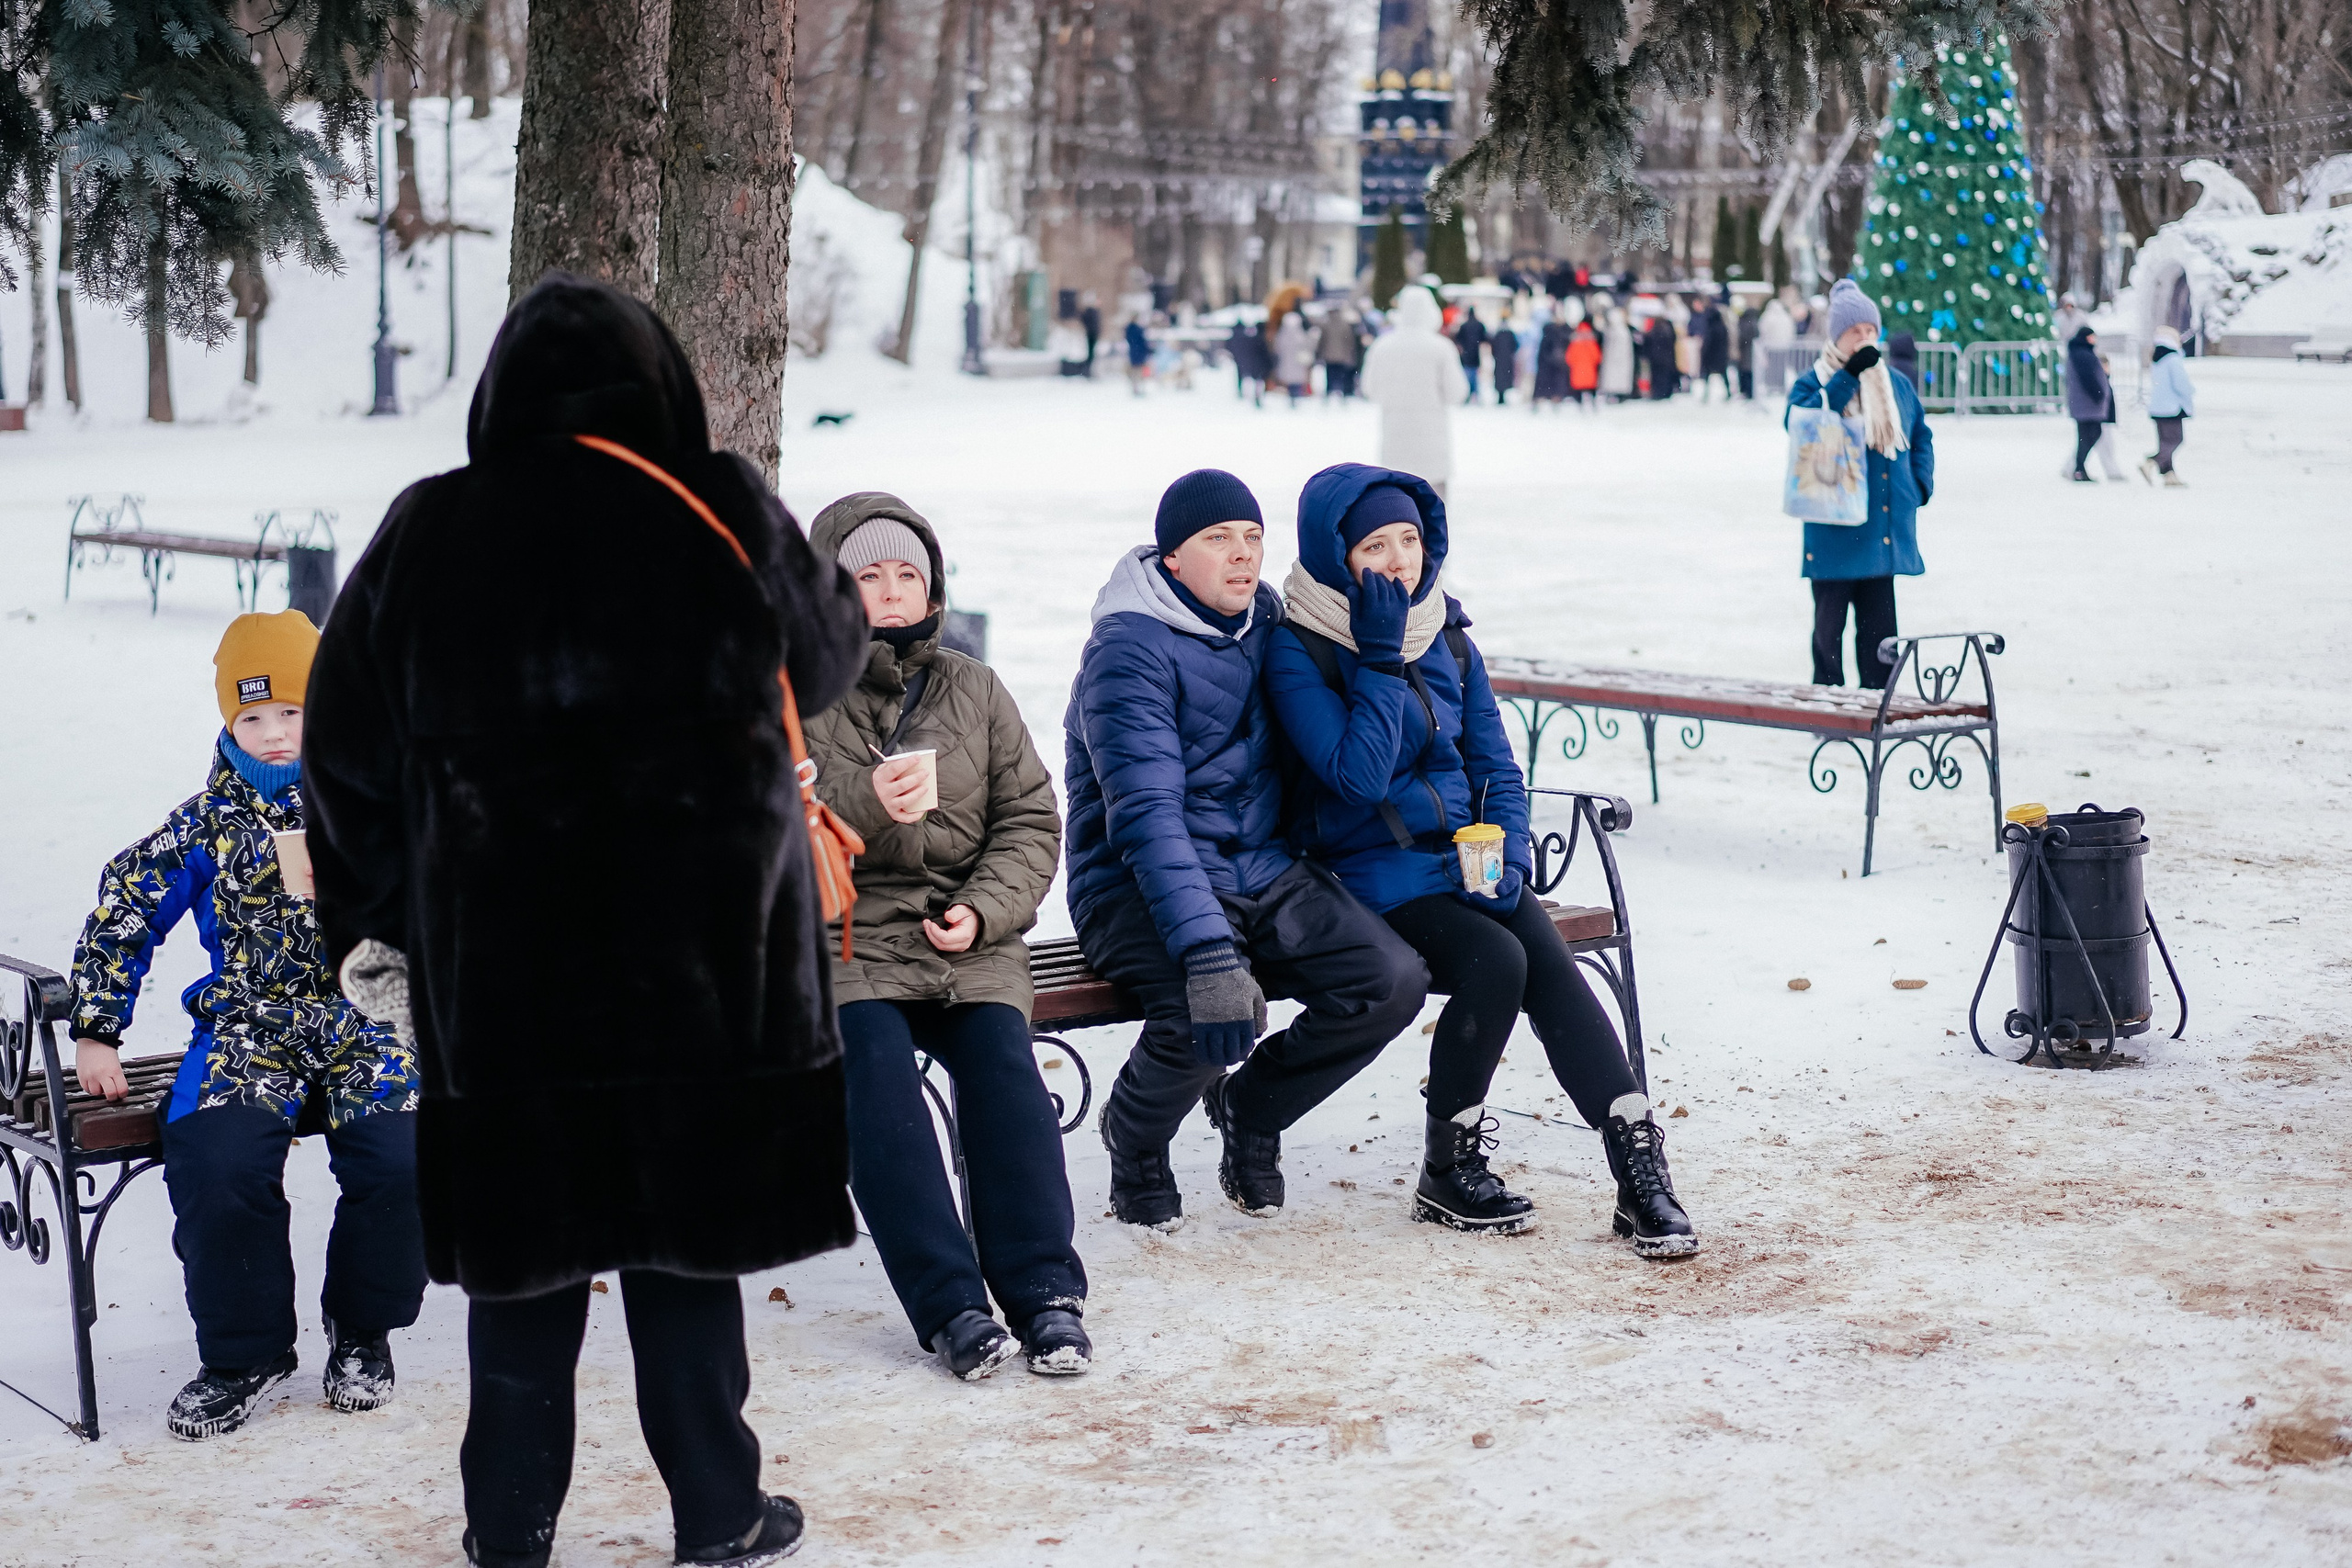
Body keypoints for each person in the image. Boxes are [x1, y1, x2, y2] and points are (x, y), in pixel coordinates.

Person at [305, 275, 869, 1568]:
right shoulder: (717, 504)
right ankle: (719, 1513)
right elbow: (832, 655)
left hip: (506, 982)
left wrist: (378, 923)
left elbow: (342, 755)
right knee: (688, 1265)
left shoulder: (428, 528)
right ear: (661, 382)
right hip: (708, 974)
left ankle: (508, 1531)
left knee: (522, 1281)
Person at [1263, 466, 1700, 1254]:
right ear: (1336, 556)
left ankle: (1636, 1163)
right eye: (1375, 545)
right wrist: (1380, 654)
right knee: (1498, 960)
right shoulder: (1299, 649)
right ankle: (1447, 1165)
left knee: (1542, 956)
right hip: (1362, 872)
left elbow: (1496, 763)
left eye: (1411, 540)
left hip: (1464, 862)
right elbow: (1357, 777)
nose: (1401, 561)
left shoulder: (1450, 635)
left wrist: (1509, 853)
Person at [67, 609, 423, 1441]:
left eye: (291, 712)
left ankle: (363, 1329)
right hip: (251, 1023)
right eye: (250, 716)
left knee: (406, 1156)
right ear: (229, 721)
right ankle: (245, 1351)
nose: (270, 733)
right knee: (216, 1158)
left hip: (366, 1010)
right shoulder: (205, 822)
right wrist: (95, 1025)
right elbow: (126, 905)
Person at [1064, 470, 1427, 1230]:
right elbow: (1146, 816)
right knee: (1213, 1009)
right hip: (1135, 883)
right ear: (1171, 560)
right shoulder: (1126, 651)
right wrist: (1206, 952)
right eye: (1217, 539)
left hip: (1260, 867)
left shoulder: (1266, 625)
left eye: (1253, 538)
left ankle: (1251, 1109)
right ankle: (1134, 1136)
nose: (1241, 555)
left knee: (1389, 979)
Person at [803, 494, 1087, 1382]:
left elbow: (1032, 821)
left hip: (966, 935)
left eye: (907, 575)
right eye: (868, 576)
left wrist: (984, 912)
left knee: (1005, 1067)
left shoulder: (974, 687)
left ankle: (1044, 1290)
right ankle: (952, 1304)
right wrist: (862, 805)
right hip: (845, 940)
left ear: (931, 588)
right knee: (877, 1082)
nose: (890, 592)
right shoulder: (790, 694)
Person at [1786, 278, 1936, 690]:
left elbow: (1920, 434)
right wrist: (1848, 376)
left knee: (1880, 636)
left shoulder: (1895, 385)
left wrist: (1920, 484)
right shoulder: (1812, 382)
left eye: (1871, 330)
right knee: (1828, 633)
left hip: (1881, 530)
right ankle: (1828, 705)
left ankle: (1877, 707)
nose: (1866, 339)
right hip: (1833, 529)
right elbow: (1802, 423)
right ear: (1839, 336)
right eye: (1856, 332)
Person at [1360, 288, 1469, 499]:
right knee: (1433, 516)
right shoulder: (1440, 347)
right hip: (1432, 448)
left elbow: (1369, 389)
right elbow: (1457, 393)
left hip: (1395, 447)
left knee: (1400, 516)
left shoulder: (1382, 346)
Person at [2143, 325, 2196, 486]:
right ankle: (2151, 462)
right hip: (2172, 407)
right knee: (2176, 440)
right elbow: (2181, 384)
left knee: (2165, 442)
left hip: (2157, 407)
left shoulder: (2156, 359)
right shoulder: (2173, 359)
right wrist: (2191, 391)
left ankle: (2169, 476)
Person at [2064, 324, 2111, 483]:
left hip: (2084, 403)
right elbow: (2088, 378)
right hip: (2087, 403)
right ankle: (2079, 468)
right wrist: (2098, 394)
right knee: (2090, 434)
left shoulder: (2079, 352)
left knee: (2087, 435)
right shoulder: (2082, 354)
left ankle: (2079, 468)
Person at [1318, 306, 1363, 399]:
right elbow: (1349, 341)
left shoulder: (1326, 324)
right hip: (1341, 355)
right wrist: (1349, 354)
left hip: (1329, 355)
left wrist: (1320, 353)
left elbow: (1322, 340)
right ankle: (1341, 391)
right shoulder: (1344, 324)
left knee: (1329, 375)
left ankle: (1329, 391)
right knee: (1341, 375)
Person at [1273, 308, 1317, 404]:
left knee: (1290, 380)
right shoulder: (1300, 334)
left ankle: (1292, 395)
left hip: (1288, 363)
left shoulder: (1282, 334)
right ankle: (1296, 395)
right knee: (1296, 380)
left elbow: (1278, 347)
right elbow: (1307, 345)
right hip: (1297, 362)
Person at [1695, 296, 1732, 400]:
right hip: (1721, 356)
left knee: (1708, 376)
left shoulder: (1710, 328)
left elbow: (1708, 342)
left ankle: (1706, 395)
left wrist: (1703, 352)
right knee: (1723, 376)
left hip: (1711, 356)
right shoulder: (1722, 327)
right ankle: (1728, 392)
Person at [1532, 305, 1570, 403]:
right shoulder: (1552, 330)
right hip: (1551, 362)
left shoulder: (1560, 330)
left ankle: (1553, 397)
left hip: (1554, 362)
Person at [1642, 310, 1679, 400]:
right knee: (1665, 376)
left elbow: (1647, 343)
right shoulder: (1668, 329)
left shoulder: (1653, 331)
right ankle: (1665, 393)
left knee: (1657, 377)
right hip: (1667, 358)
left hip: (1656, 358)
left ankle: (1658, 393)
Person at [1566, 318, 1602, 409]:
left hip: (1577, 369)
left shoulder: (1575, 340)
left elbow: (1569, 356)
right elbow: (1597, 356)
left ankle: (1580, 403)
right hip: (1589, 368)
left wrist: (1573, 364)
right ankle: (1593, 403)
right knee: (1590, 386)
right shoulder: (1591, 340)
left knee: (1578, 387)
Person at [1453, 308, 1488, 402]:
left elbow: (1458, 339)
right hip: (1476, 354)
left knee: (1467, 376)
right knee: (1476, 376)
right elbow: (1484, 339)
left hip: (1466, 354)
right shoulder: (1479, 325)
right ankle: (1476, 395)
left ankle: (1467, 395)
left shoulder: (1464, 326)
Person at [1600, 306, 1635, 400]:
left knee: (1615, 377)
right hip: (1620, 359)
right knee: (1618, 378)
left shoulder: (1614, 330)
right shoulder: (1622, 330)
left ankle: (1617, 393)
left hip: (1616, 359)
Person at [1487, 316, 1520, 404]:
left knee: (1500, 378)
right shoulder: (1510, 334)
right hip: (1507, 360)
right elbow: (1515, 345)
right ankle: (1502, 395)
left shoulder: (1498, 334)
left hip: (1500, 359)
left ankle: (1501, 395)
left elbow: (1493, 346)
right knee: (1505, 377)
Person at [1736, 297, 1761, 400]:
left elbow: (1743, 337)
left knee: (1746, 372)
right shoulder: (1754, 322)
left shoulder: (1746, 323)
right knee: (1749, 372)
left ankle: (1747, 392)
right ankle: (1749, 392)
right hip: (1750, 351)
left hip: (1747, 351)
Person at [1124, 317, 1151, 397]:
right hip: (1139, 353)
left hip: (1134, 353)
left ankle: (1136, 388)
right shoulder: (1138, 330)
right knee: (1138, 372)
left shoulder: (1129, 329)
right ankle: (1138, 388)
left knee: (1136, 371)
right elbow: (1142, 342)